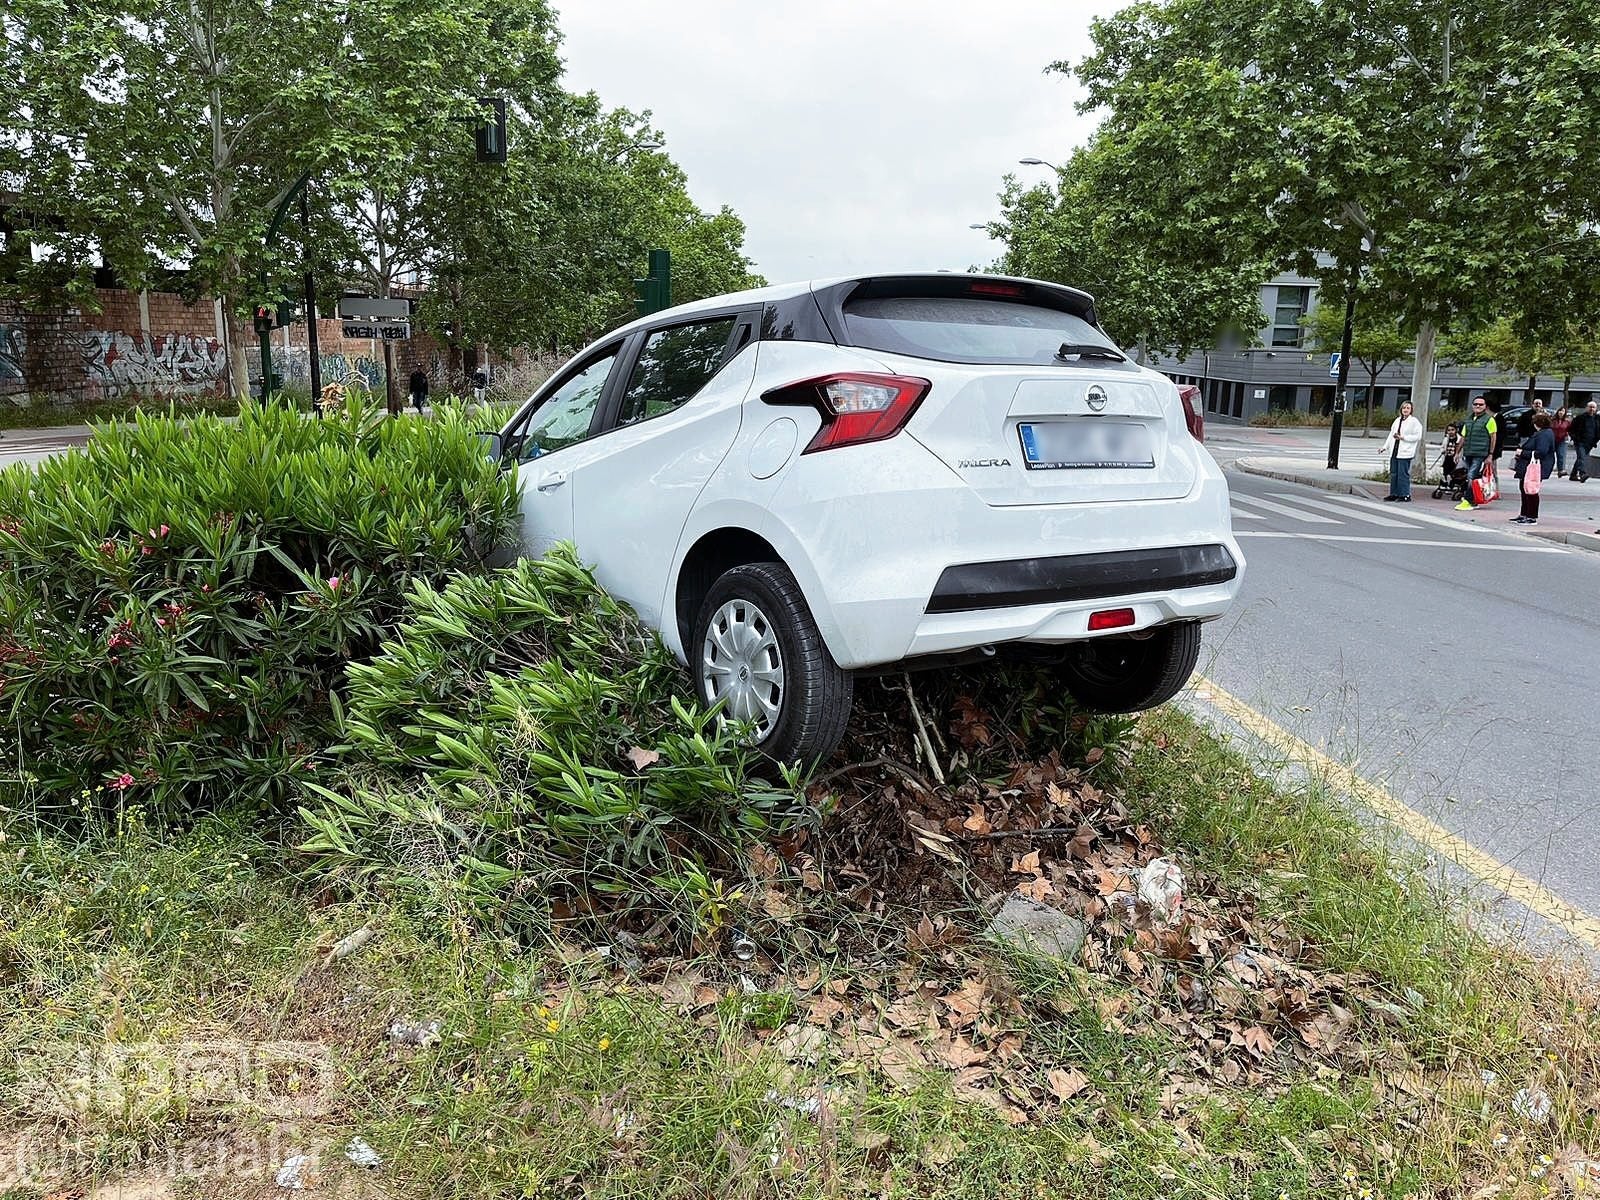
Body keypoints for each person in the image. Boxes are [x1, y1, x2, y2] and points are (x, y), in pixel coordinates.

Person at [1512, 410, 1555, 525]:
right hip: (1531, 466)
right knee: (1525, 488)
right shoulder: (1544, 433)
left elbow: (1541, 452)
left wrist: (1522, 453)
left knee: (1530, 490)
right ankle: (1524, 514)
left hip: (1534, 467)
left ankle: (1531, 516)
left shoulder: (1544, 434)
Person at [1456, 395, 1498, 509]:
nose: (1478, 406)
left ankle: (1468, 500)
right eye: (1475, 404)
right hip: (1468, 452)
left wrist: (1490, 454)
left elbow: (1493, 437)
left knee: (1471, 475)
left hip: (1480, 453)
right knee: (1471, 476)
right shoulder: (1469, 420)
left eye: (1481, 404)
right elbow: (1463, 437)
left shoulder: (1489, 420)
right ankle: (1473, 500)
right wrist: (1457, 452)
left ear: (1485, 406)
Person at [1380, 399, 1424, 502]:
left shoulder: (1414, 422)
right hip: (1395, 450)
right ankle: (1394, 493)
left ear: (1411, 410)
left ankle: (1405, 494)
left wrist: (1403, 437)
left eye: (1408, 408)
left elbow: (1418, 436)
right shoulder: (1397, 420)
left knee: (1402, 474)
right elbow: (1391, 435)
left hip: (1405, 451)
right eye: (1404, 408)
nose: (1405, 410)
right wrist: (1384, 447)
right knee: (1394, 473)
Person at [1570, 399, 1600, 484]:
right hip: (1580, 442)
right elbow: (1571, 429)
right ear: (1587, 408)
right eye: (1590, 407)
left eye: (1593, 407)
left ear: (1596, 409)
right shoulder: (1580, 418)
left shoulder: (1597, 419)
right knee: (1582, 457)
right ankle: (1582, 474)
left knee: (1580, 458)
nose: (1592, 409)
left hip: (1590, 443)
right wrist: (1575, 438)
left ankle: (1573, 475)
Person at [1552, 407, 1572, 476]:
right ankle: (1548, 467)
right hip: (1552, 440)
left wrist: (1569, 437)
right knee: (1550, 455)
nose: (1561, 412)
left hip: (1562, 440)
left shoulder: (1567, 421)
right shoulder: (1553, 420)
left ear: (1565, 413)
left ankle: (1560, 470)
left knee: (1561, 455)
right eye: (1560, 411)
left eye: (1563, 411)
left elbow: (1570, 430)